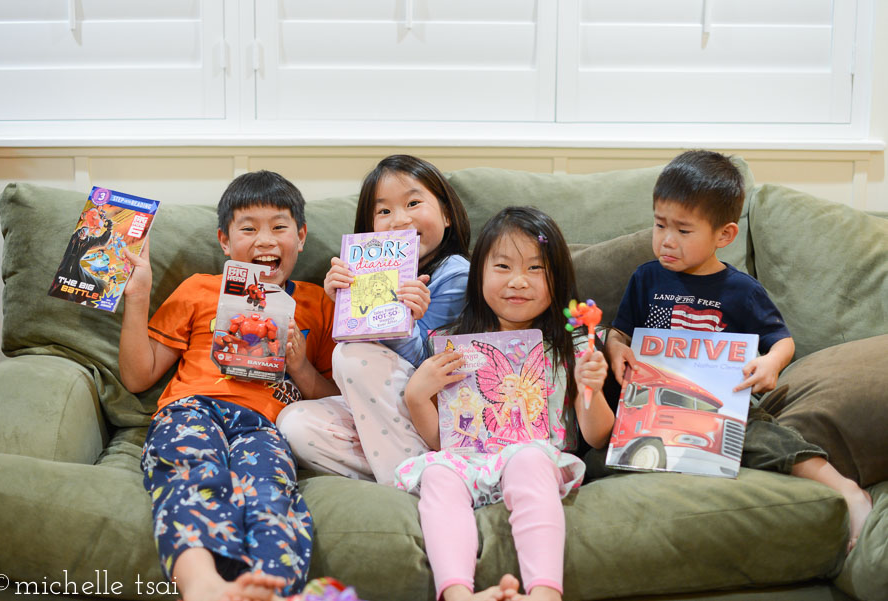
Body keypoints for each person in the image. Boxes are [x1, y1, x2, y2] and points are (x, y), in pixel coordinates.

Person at [604, 149, 873, 550]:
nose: (667, 240)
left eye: (683, 229)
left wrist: (771, 364)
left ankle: (847, 489)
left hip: (721, 400)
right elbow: (619, 332)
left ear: (724, 235)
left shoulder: (741, 290)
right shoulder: (646, 278)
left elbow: (783, 341)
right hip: (654, 400)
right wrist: (614, 350)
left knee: (769, 440)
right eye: (660, 224)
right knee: (607, 447)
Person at [119, 170, 339, 601]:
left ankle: (269, 588)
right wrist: (138, 295)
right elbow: (137, 375)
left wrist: (299, 366)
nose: (265, 241)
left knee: (271, 493)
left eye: (279, 227)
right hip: (193, 409)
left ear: (301, 236)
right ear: (225, 241)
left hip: (265, 425)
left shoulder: (318, 301)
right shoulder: (200, 289)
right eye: (248, 229)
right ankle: (201, 585)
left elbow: (336, 397)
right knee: (191, 471)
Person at [395, 207, 615, 601]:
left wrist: (591, 390)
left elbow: (597, 436)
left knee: (527, 458)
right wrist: (417, 394)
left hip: (536, 458)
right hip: (471, 461)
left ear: (558, 278)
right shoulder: (452, 343)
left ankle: (545, 593)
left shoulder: (574, 344)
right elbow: (444, 443)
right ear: (478, 273)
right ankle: (459, 595)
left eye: (536, 268)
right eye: (502, 266)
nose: (518, 281)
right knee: (438, 475)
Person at [279, 154, 471, 485]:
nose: (399, 220)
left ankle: (420, 485)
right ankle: (411, 468)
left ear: (447, 214)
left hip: (433, 408)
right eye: (384, 211)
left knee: (351, 357)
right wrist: (342, 303)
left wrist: (404, 320)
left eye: (413, 203)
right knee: (293, 423)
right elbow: (357, 377)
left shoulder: (456, 273)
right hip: (385, 415)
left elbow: (428, 365)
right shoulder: (365, 269)